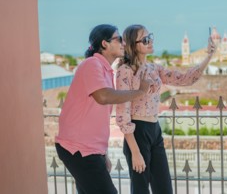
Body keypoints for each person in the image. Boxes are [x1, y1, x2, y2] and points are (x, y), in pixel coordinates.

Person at [116, 24, 216, 194]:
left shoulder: (154, 68)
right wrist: (135, 151)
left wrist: (209, 56)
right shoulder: (125, 71)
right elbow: (122, 112)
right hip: (137, 132)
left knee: (164, 188)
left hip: (155, 130)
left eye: (150, 37)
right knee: (140, 190)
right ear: (133, 45)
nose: (150, 42)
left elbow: (184, 79)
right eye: (145, 39)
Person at [55, 24, 152, 194]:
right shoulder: (92, 64)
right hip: (78, 148)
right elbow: (103, 97)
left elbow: (97, 117)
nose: (123, 43)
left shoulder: (106, 71)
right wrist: (140, 92)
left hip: (89, 149)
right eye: (118, 39)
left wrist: (102, 153)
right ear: (105, 44)